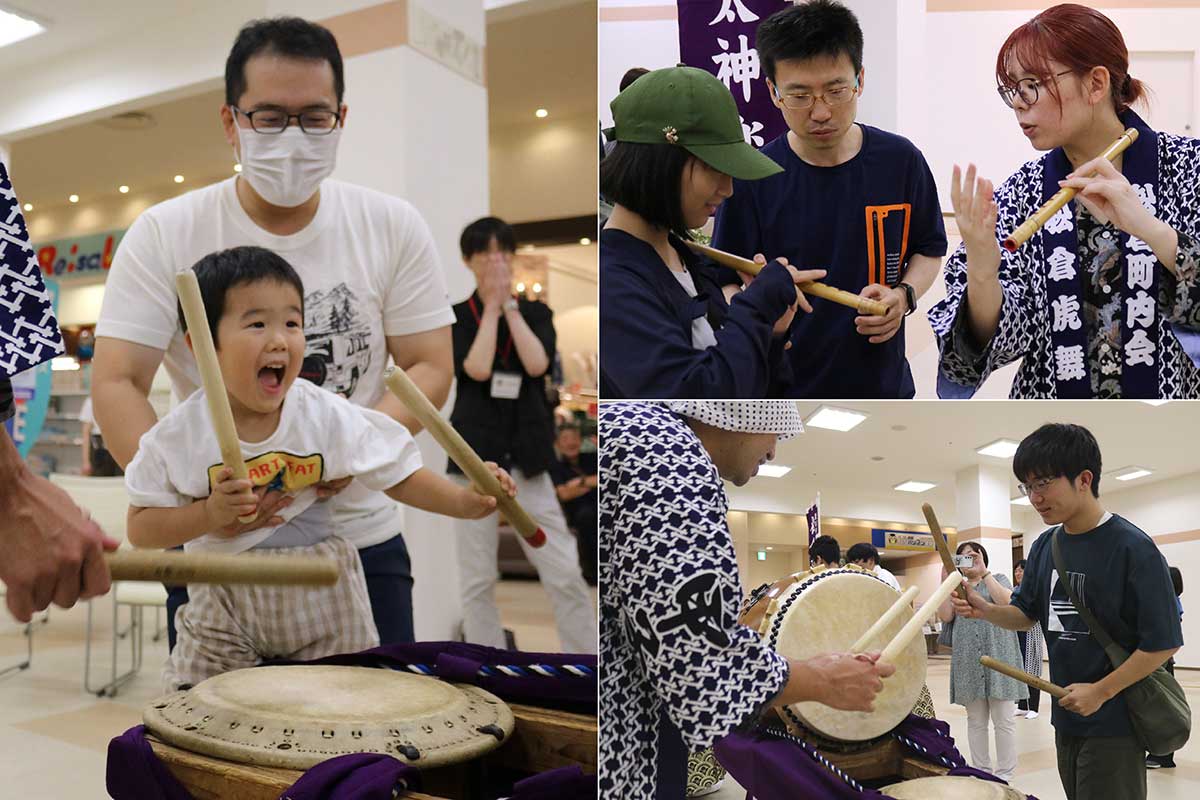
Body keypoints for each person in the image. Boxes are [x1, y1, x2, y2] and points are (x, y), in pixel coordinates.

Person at [91, 17, 455, 647]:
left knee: (374, 728)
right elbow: (119, 379)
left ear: (341, 118)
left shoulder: (390, 225)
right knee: (217, 733)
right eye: (268, 116)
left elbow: (429, 363)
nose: (293, 137)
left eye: (314, 117)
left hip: (357, 536)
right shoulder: (165, 231)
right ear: (231, 122)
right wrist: (193, 494)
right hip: (217, 545)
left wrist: (350, 451)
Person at [123, 247, 514, 690]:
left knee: (347, 702)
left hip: (321, 589)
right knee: (202, 709)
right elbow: (141, 528)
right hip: (221, 590)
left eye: (292, 323)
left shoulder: (324, 413)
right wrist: (208, 516)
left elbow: (397, 473)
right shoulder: (178, 436)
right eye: (257, 324)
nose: (280, 340)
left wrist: (464, 500)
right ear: (201, 344)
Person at [600, 400, 896, 798]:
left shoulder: (638, 432)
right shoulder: (668, 455)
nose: (773, 450)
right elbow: (696, 656)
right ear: (736, 410)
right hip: (622, 741)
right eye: (773, 430)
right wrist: (822, 679)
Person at [930, 3, 1200, 399]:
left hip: (1169, 425)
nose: (1020, 102)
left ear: (1095, 84)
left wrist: (1151, 230)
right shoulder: (1020, 194)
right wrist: (983, 274)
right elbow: (991, 345)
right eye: (1013, 89)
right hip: (1053, 418)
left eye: (1033, 85)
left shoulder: (1189, 168)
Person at [712, 0, 947, 399]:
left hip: (884, 384)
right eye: (800, 95)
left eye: (836, 90)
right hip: (786, 389)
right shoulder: (753, 177)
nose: (821, 112)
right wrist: (757, 313)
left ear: (859, 80)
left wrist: (903, 295)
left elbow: (928, 249)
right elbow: (726, 279)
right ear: (773, 92)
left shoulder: (901, 161)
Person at [952, 423, 1182, 800]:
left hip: (1115, 720)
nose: (1035, 498)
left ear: (1084, 479)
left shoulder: (1132, 548)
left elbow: (1163, 643)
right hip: (1067, 715)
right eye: (1027, 488)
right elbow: (1026, 614)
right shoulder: (1045, 546)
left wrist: (1101, 692)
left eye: (1043, 483)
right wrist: (985, 610)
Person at [599, 65, 827, 398]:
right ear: (662, 162)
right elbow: (698, 398)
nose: (728, 189)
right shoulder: (613, 281)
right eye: (715, 169)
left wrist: (770, 332)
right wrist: (756, 310)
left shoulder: (688, 260)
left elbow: (752, 400)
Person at [448, 217, 595, 654]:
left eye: (502, 253)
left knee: (562, 567)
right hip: (471, 458)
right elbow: (475, 368)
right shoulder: (459, 316)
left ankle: (584, 662)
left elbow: (535, 364)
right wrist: (490, 310)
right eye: (484, 253)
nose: (495, 262)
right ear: (468, 261)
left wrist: (508, 307)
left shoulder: (536, 312)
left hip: (528, 459)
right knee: (476, 575)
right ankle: (486, 664)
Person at [936, 542, 1026, 781]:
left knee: (1004, 720)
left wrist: (984, 572)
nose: (968, 560)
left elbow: (1008, 602)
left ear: (983, 558)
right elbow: (945, 616)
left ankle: (1006, 774)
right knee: (975, 721)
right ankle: (981, 771)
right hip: (968, 661)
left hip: (1001, 656)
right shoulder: (956, 587)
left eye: (972, 556)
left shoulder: (998, 578)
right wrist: (945, 579)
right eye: (962, 558)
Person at [550, 422, 597, 586]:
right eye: (566, 439)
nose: (571, 443)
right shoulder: (555, 467)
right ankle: (591, 574)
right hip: (576, 512)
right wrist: (590, 483)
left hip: (598, 505)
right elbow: (563, 493)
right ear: (558, 443)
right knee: (587, 517)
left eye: (575, 438)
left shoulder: (592, 458)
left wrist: (580, 482)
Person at [1146, 565, 1184, 769]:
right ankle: (1161, 754)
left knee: (1160, 709)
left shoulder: (1168, 604)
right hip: (1163, 664)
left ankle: (1162, 755)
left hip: (1160, 665)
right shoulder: (1173, 602)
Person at [1013, 558, 1046, 720]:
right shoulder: (1014, 590)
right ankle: (1022, 705)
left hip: (1032, 633)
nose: (1018, 573)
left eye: (1021, 570)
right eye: (1016, 570)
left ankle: (1034, 707)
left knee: (1032, 670)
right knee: (1019, 668)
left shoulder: (1034, 589)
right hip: (1017, 633)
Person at [79, 397, 122, 477]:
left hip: (119, 448)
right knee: (99, 485)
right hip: (99, 451)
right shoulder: (91, 401)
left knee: (118, 484)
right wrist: (86, 462)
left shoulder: (122, 399)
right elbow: (86, 433)